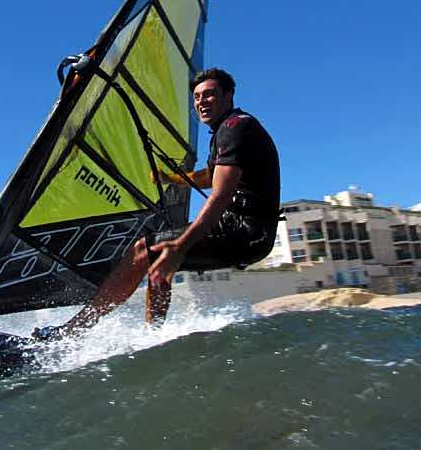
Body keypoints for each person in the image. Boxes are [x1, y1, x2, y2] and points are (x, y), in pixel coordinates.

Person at [32, 68, 280, 341]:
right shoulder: (231, 129)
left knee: (143, 250)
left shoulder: (234, 128)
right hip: (249, 233)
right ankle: (153, 335)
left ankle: (72, 331)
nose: (201, 102)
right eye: (197, 97)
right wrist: (171, 178)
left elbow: (221, 194)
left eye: (210, 95)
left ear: (229, 95)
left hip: (243, 231)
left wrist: (180, 245)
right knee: (155, 255)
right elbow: (213, 175)